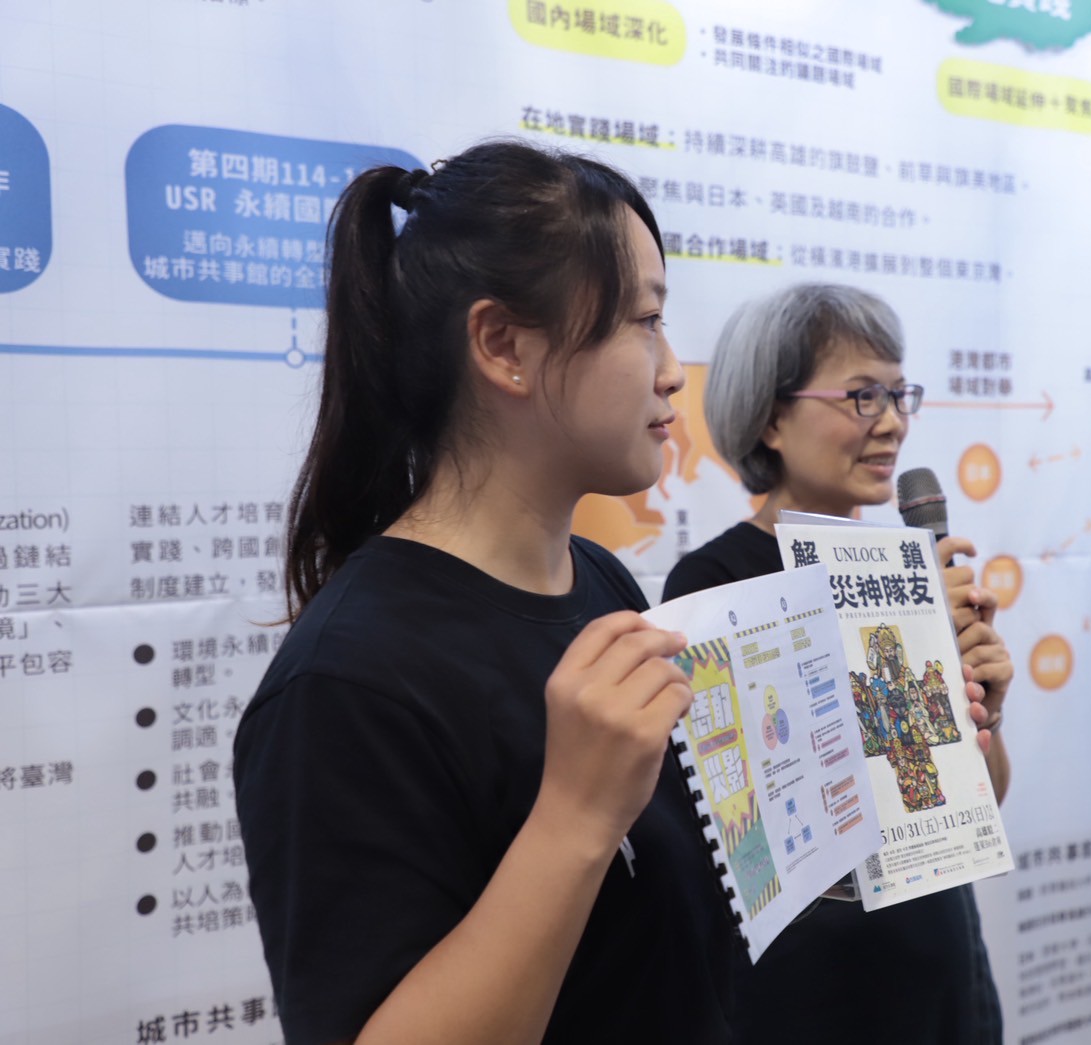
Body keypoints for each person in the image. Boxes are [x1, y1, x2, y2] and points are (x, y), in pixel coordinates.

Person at [233, 141, 740, 1044]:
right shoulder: (347, 682)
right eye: (644, 321)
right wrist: (574, 818)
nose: (672, 370)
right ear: (503, 346)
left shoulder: (603, 580)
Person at [662, 282, 1016, 1045]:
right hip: (810, 992)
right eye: (862, 396)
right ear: (771, 418)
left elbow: (976, 800)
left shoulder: (911, 570)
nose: (891, 422)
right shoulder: (713, 584)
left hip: (939, 967)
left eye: (898, 394)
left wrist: (979, 705)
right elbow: (757, 833)